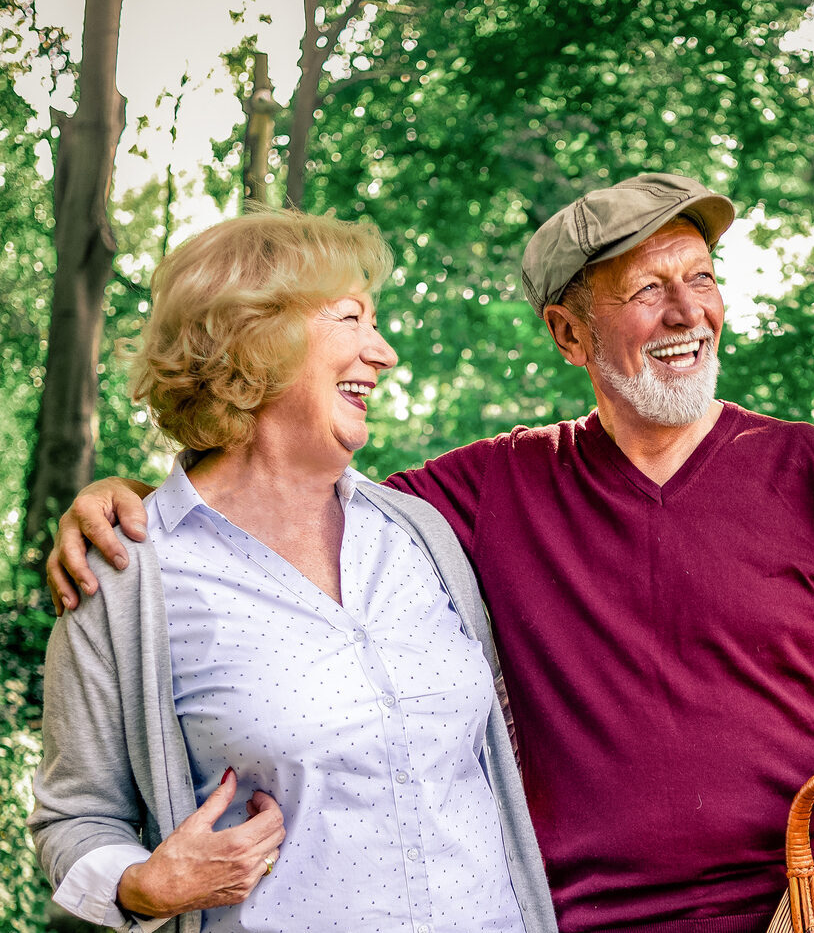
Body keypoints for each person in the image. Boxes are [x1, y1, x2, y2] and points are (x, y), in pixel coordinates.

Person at [51, 174, 814, 933]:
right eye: (647, 289)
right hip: (592, 917)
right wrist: (122, 494)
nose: (689, 310)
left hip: (809, 905)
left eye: (703, 277)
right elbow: (263, 494)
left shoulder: (808, 468)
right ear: (569, 334)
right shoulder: (477, 499)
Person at [29, 211, 558, 933]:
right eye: (352, 318)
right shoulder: (126, 577)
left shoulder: (420, 535)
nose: (386, 352)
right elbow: (75, 817)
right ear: (256, 340)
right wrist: (141, 887)